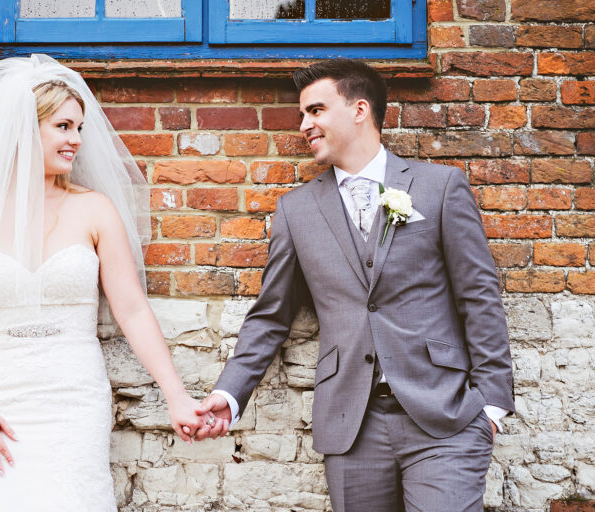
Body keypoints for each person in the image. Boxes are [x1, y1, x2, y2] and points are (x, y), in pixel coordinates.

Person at [0, 54, 210, 512]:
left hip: (72, 396)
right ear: (22, 129)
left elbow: (132, 309)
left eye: (79, 128)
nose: (76, 140)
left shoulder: (96, 210)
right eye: (63, 126)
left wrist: (175, 395)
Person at [195, 58, 515, 511]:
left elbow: (479, 295)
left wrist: (492, 407)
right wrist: (229, 394)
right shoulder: (297, 210)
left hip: (445, 419)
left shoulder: (439, 187)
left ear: (360, 110)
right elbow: (271, 315)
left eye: (316, 110)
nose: (304, 124)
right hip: (352, 425)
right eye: (303, 114)